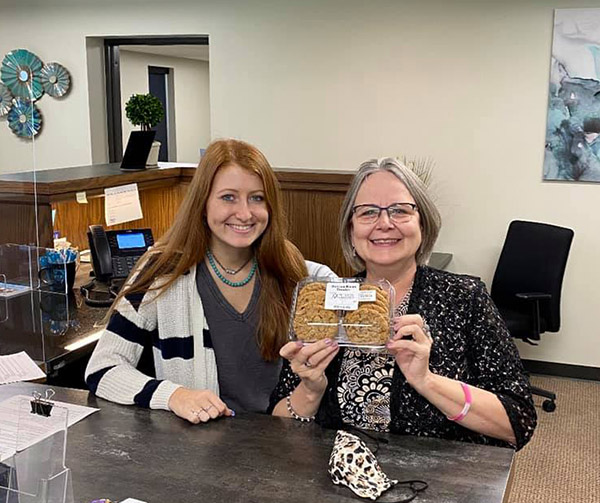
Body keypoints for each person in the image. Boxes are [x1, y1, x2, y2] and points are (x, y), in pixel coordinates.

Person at [269, 157, 537, 454]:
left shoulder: (464, 298)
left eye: (400, 210)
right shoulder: (329, 301)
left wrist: (427, 381)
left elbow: (518, 422)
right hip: (341, 483)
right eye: (368, 212)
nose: (385, 223)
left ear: (423, 223)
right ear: (350, 230)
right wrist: (310, 388)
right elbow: (278, 427)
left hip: (437, 487)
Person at [85, 139, 335, 424]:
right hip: (198, 452)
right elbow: (102, 368)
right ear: (202, 203)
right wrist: (174, 395)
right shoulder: (163, 271)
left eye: (257, 198)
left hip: (278, 445)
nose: (244, 213)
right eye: (228, 197)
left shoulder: (294, 270)